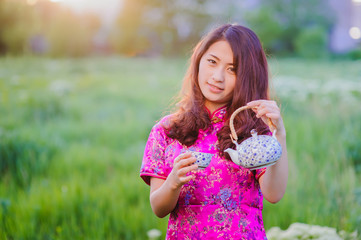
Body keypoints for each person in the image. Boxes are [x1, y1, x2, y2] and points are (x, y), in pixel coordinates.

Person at [140, 23, 288, 239]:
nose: (218, 77)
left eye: (232, 69)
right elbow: (158, 208)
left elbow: (274, 194)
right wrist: (173, 181)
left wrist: (279, 135)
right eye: (212, 62)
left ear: (247, 76)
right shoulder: (167, 130)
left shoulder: (253, 129)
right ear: (199, 61)